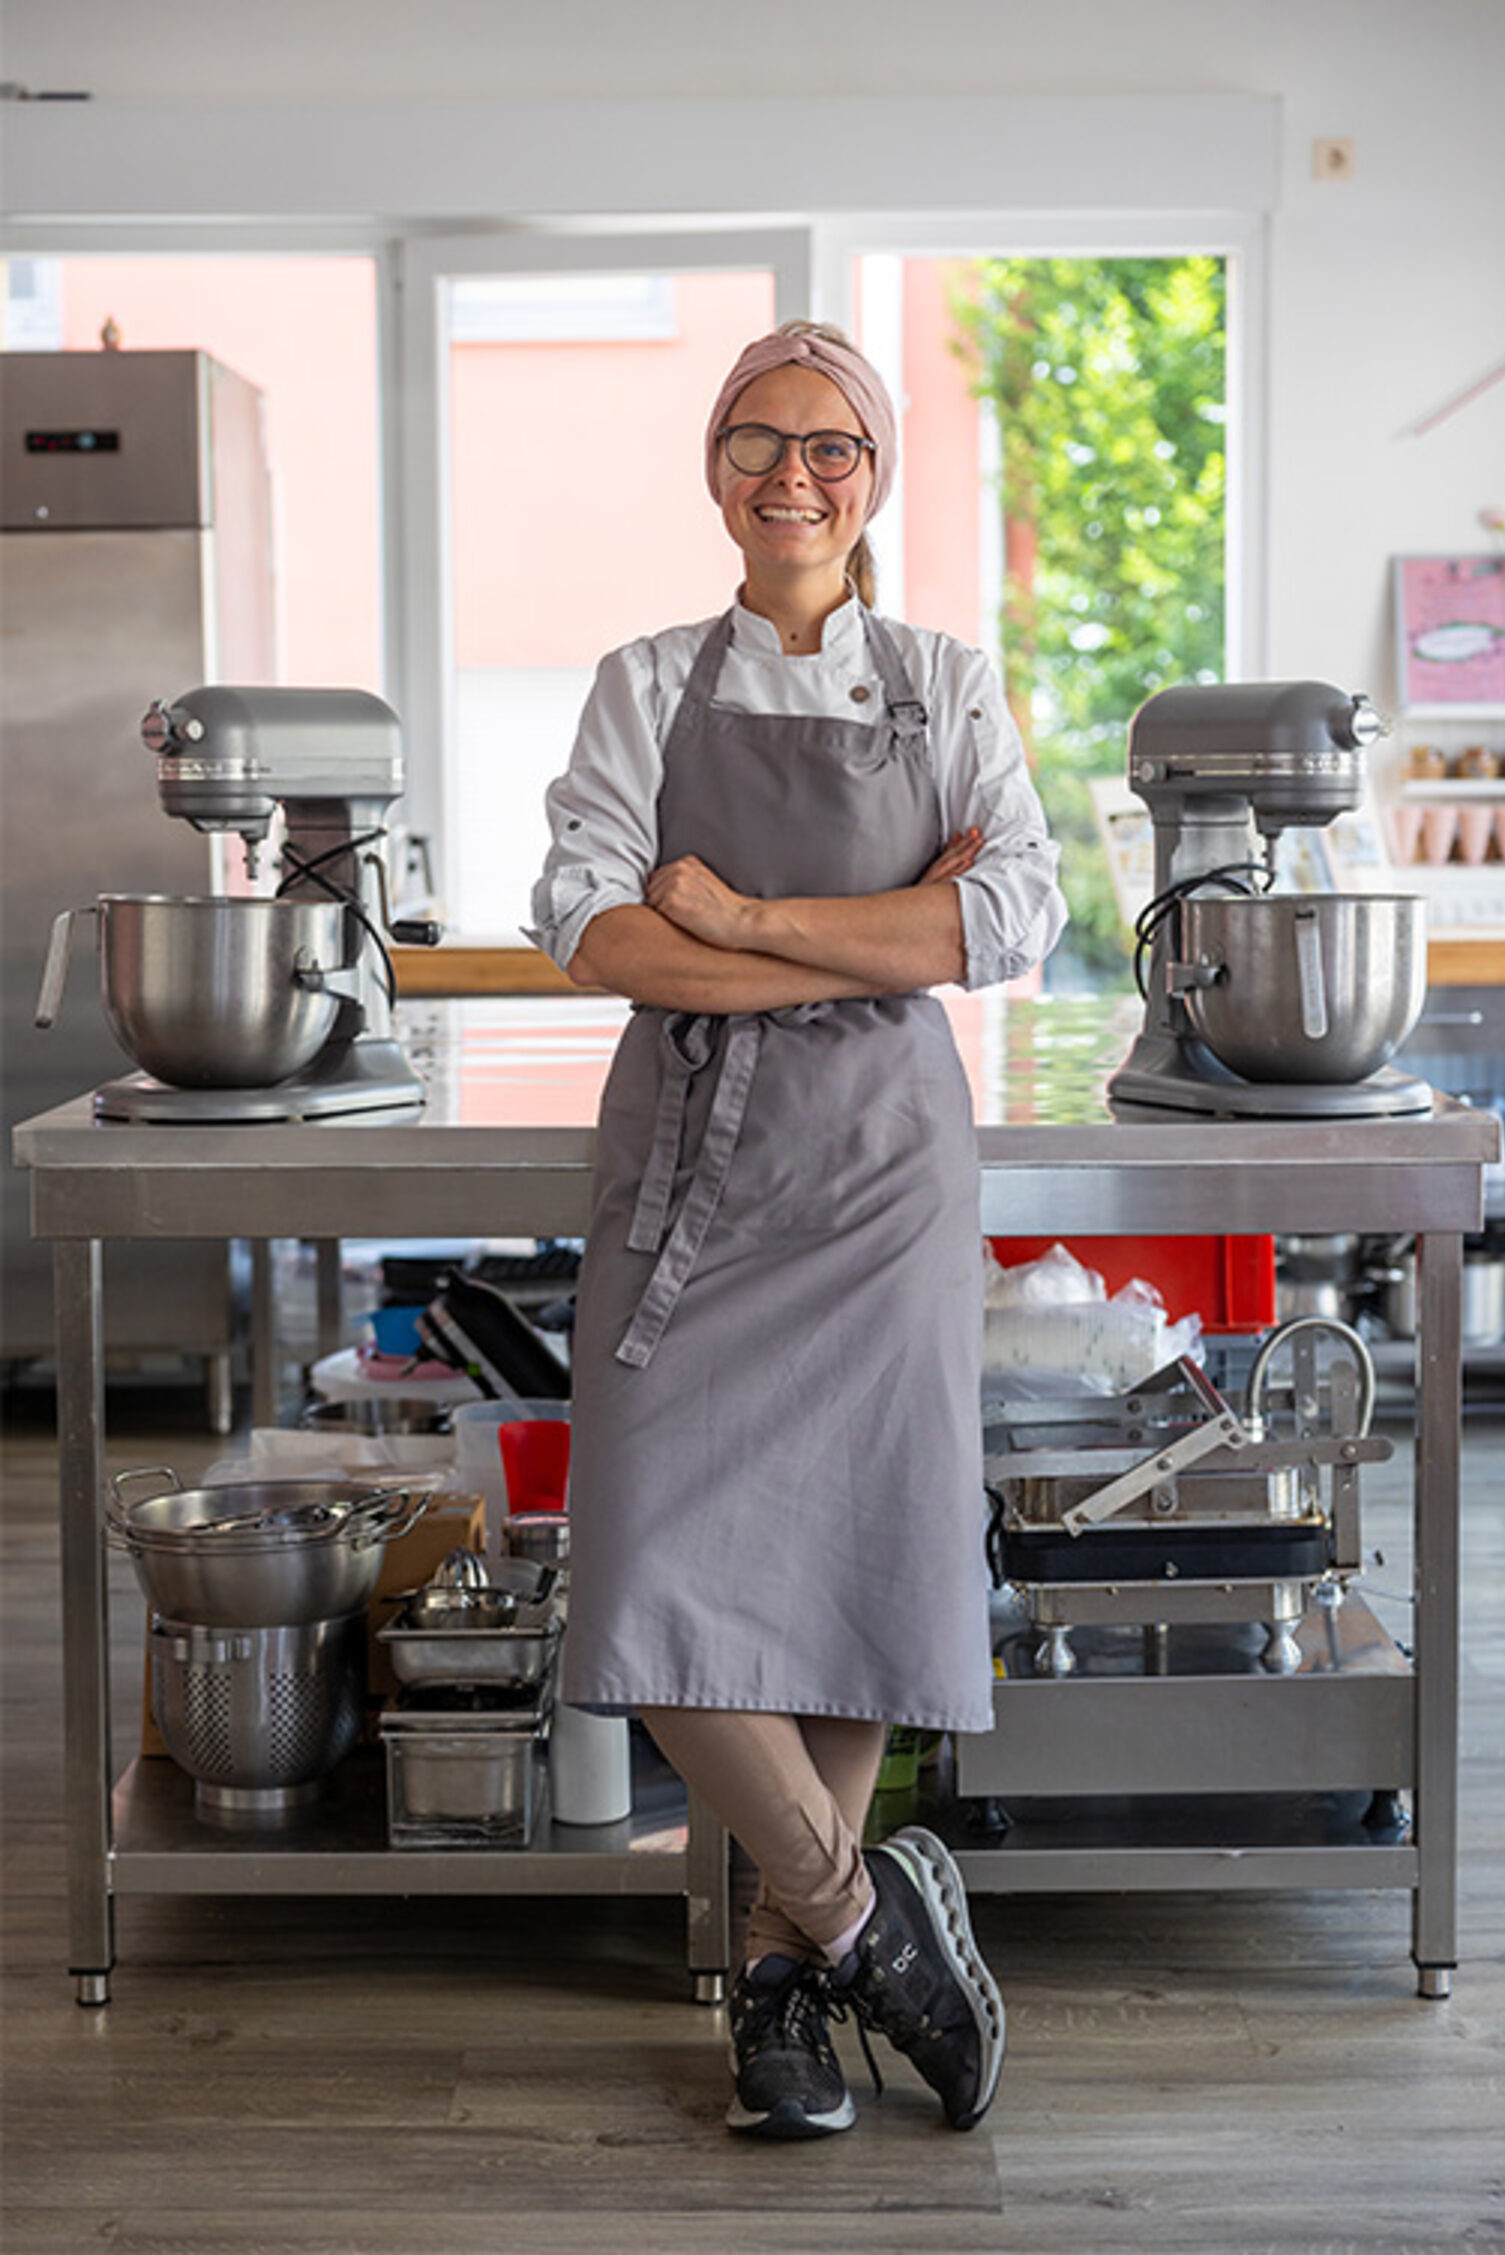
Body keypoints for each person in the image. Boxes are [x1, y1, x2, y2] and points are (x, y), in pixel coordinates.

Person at [527, 319, 1067, 2139]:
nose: (793, 477)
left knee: (840, 1573)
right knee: (650, 1570)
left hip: (880, 1177)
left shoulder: (948, 678)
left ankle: (776, 2002)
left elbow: (1002, 925)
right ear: (715, 466)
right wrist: (852, 930)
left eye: (831, 447)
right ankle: (864, 1917)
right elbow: (593, 923)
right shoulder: (645, 679)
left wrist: (743, 923)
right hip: (691, 1166)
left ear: (876, 472)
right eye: (758, 441)